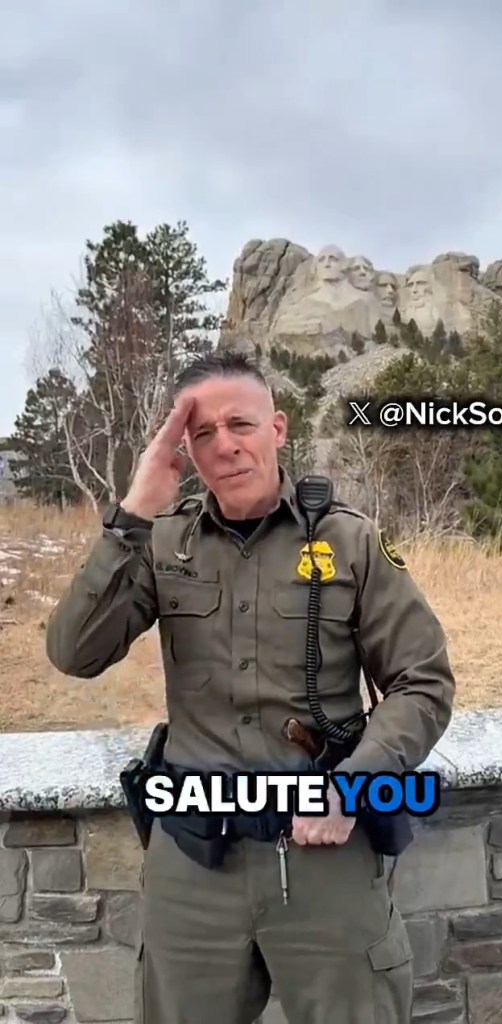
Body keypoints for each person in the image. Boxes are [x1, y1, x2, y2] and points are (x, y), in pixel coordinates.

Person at [45, 351, 456, 1024]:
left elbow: (423, 683)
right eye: (202, 434)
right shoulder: (161, 543)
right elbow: (73, 652)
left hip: (326, 856)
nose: (224, 445)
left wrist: (354, 785)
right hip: (193, 865)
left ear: (279, 429)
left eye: (240, 423)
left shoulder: (349, 542)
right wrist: (132, 515)